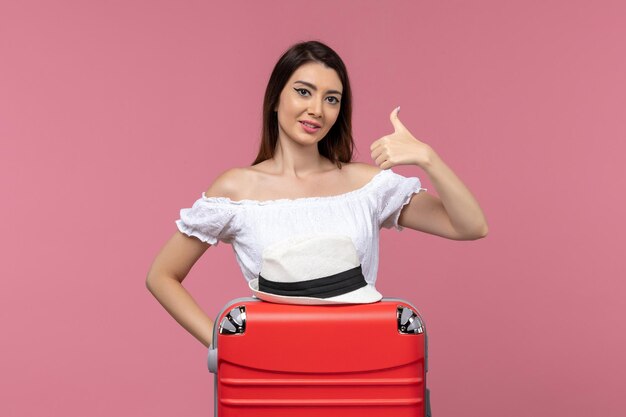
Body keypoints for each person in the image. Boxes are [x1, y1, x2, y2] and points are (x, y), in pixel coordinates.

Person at [145, 40, 488, 349]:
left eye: (331, 99)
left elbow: (470, 226)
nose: (317, 110)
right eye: (304, 92)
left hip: (360, 360)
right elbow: (161, 276)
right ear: (276, 98)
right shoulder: (236, 189)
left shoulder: (367, 185)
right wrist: (223, 348)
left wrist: (427, 157)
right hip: (272, 367)